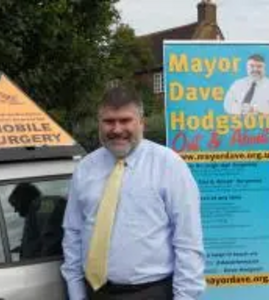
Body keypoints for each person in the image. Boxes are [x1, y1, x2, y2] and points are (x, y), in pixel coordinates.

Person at [61, 86, 205, 299]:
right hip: (96, 292)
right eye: (109, 121)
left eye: (125, 120)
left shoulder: (170, 166)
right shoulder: (85, 168)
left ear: (141, 122)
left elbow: (188, 243)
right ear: (99, 124)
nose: (117, 129)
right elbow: (73, 233)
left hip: (151, 292)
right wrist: (76, 293)